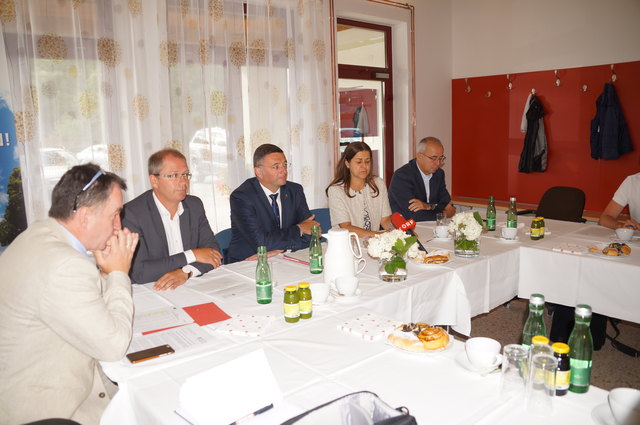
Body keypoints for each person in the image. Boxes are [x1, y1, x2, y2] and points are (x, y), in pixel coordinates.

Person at [0, 164, 139, 425]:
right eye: (115, 215)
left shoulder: (39, 234)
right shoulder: (64, 265)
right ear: (85, 216)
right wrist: (119, 273)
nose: (118, 225)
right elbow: (113, 345)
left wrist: (106, 272)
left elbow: (79, 299)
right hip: (47, 410)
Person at [121, 149, 222, 290]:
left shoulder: (194, 205)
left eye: (185, 174)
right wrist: (192, 255)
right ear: (154, 180)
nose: (183, 182)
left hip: (191, 284)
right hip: (152, 290)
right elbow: (139, 272)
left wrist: (186, 272)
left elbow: (214, 253)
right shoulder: (132, 214)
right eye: (174, 175)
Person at [227, 143, 319, 263]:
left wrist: (281, 250)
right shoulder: (241, 197)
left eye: (285, 165)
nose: (284, 171)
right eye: (276, 167)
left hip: (283, 258)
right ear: (258, 172)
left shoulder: (295, 190)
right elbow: (261, 243)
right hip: (249, 262)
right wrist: (299, 229)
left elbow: (312, 233)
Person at [326, 142, 392, 238]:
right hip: (346, 245)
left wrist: (397, 232)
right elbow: (346, 227)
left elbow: (385, 220)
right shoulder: (336, 190)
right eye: (359, 162)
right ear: (347, 163)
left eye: (367, 161)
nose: (364, 166)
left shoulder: (378, 183)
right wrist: (380, 235)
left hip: (374, 242)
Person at [388, 137, 456, 221]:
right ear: (419, 156)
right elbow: (415, 216)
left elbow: (449, 206)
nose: (438, 163)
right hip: (405, 228)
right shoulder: (402, 176)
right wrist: (444, 213)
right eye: (433, 158)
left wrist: (427, 206)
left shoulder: (439, 174)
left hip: (431, 226)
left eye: (441, 158)